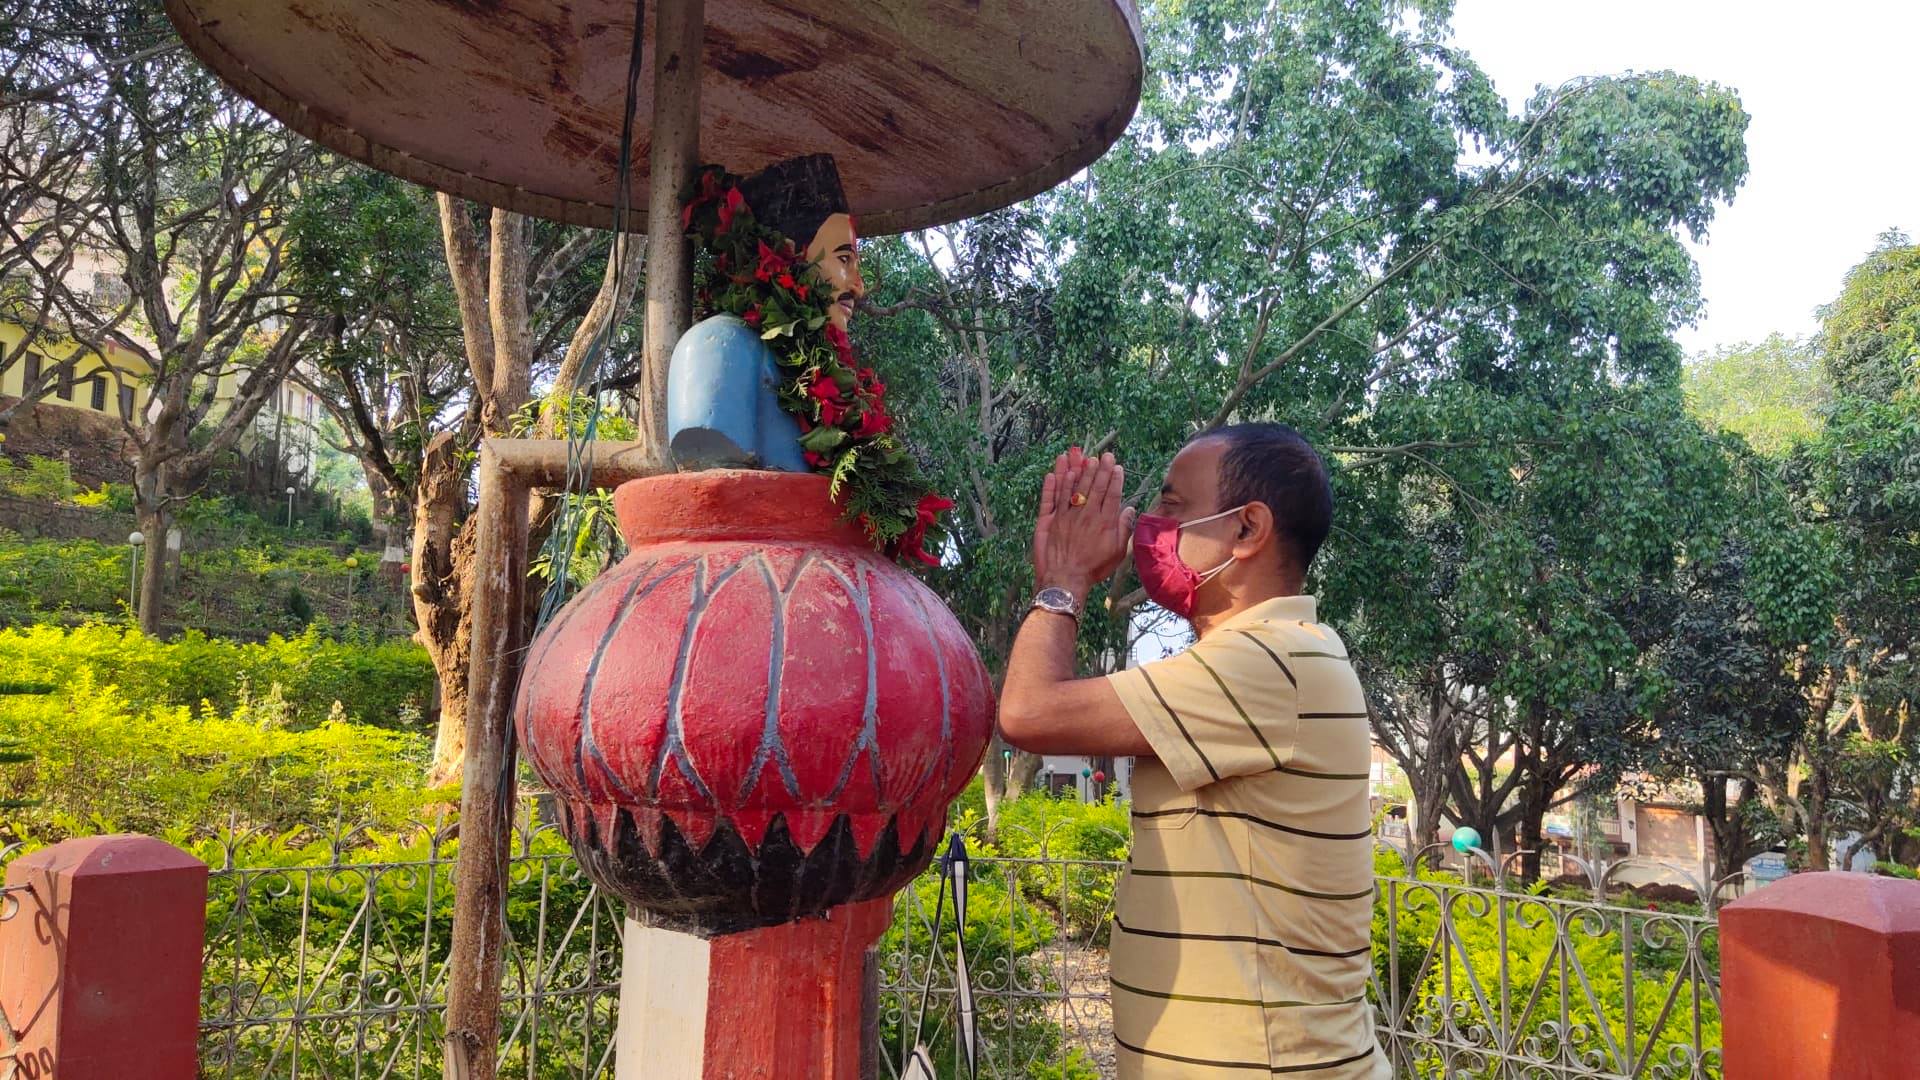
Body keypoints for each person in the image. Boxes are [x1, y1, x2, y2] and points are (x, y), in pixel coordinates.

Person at [998, 426, 1386, 1079]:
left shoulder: (1272, 660)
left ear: (1247, 528)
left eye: (1173, 507)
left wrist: (1064, 581)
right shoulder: (1262, 659)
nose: (1145, 525)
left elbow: (1028, 711)